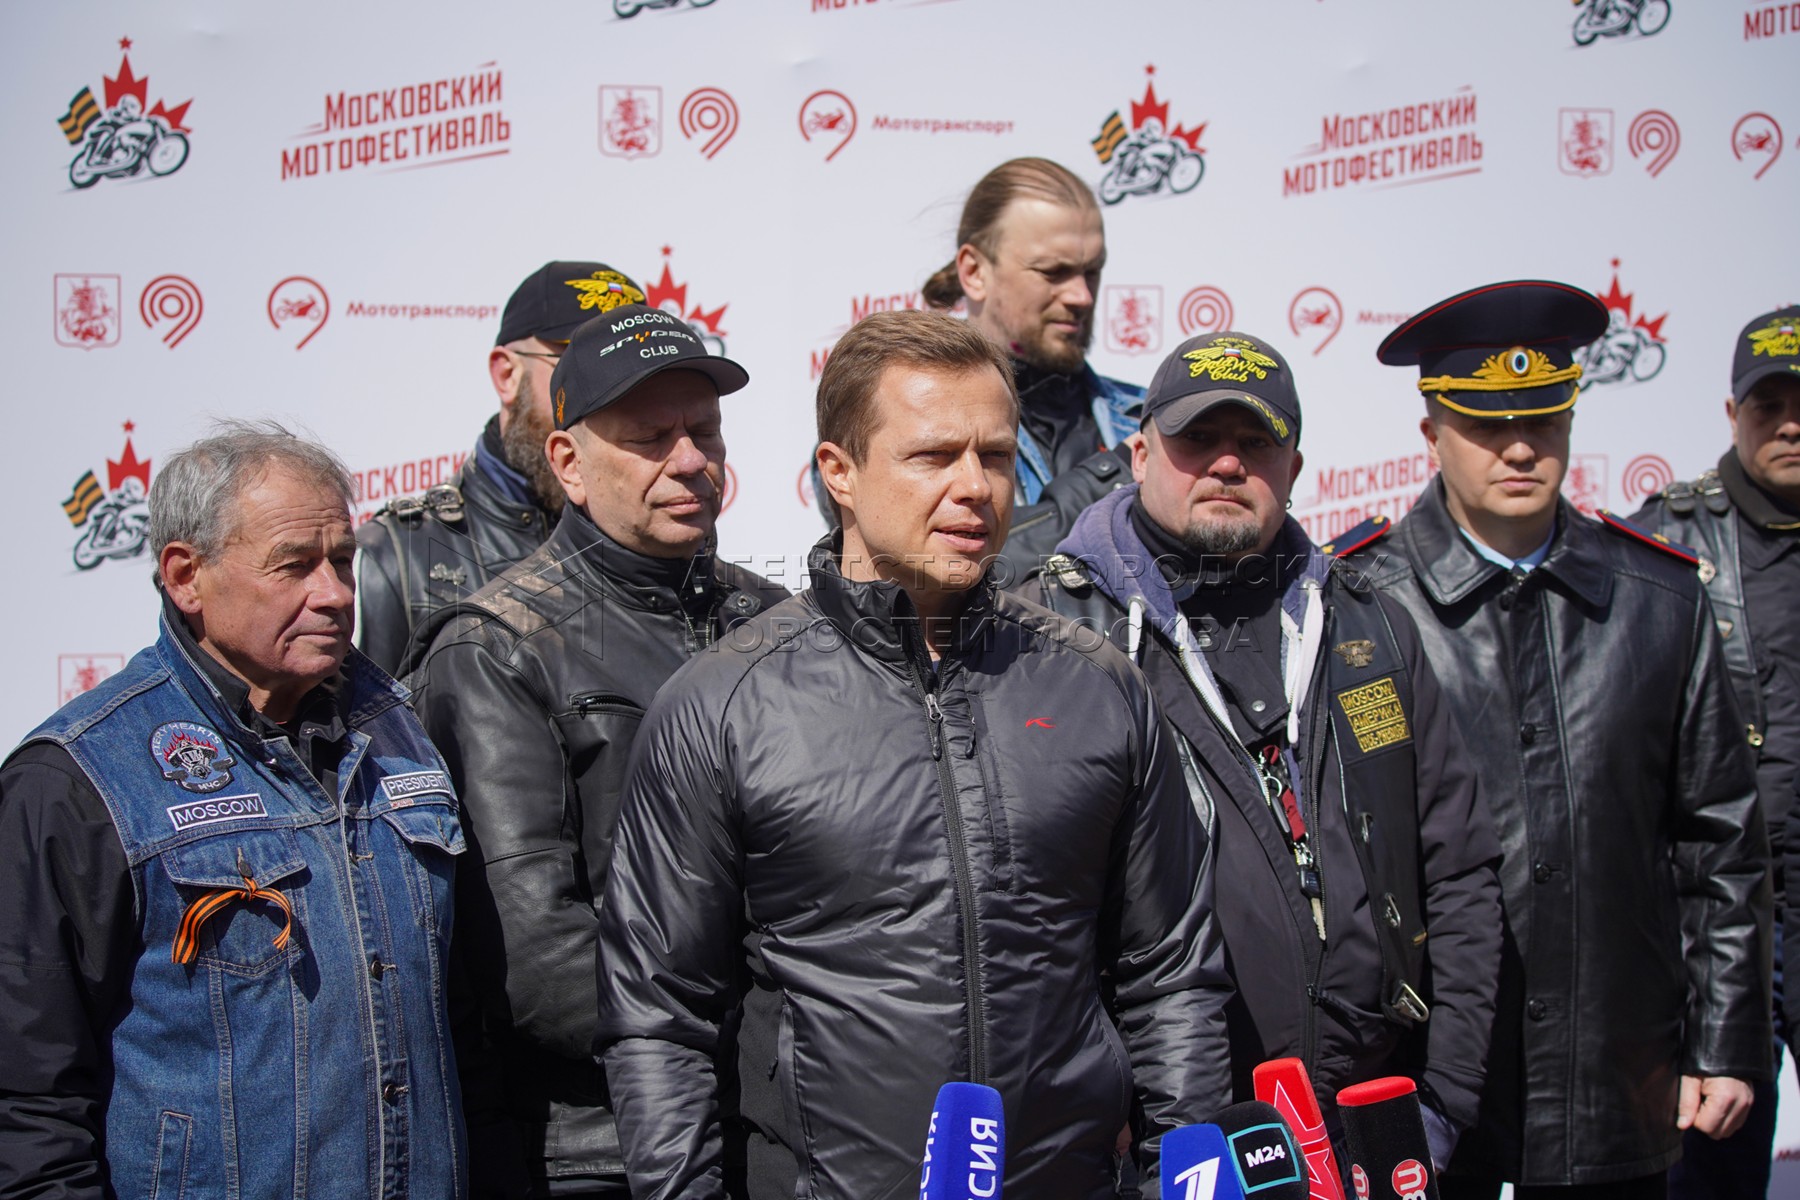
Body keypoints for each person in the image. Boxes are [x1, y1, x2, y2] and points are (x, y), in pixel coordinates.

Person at [595, 309, 1231, 1200]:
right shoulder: (722, 702)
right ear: (839, 472)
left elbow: (1172, 978)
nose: (975, 486)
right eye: (934, 456)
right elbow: (660, 1017)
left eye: (996, 456)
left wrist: (1188, 1183)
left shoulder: (1099, 686)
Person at [1021, 330, 1502, 1165]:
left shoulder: (1372, 626)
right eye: (1198, 438)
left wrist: (1446, 1099)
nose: (1227, 464)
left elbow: (1458, 872)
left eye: (1255, 442)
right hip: (1163, 1137)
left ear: (1295, 468)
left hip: (1371, 1123)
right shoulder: (1053, 635)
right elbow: (1020, 909)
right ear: (1140, 454)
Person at [1349, 280, 1771, 1198]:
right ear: (1430, 433)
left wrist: (1727, 1042)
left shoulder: (1663, 599)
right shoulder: (1360, 605)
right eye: (1484, 424)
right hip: (1425, 1085)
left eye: (1541, 419)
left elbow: (1722, 844)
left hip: (1617, 1078)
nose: (1518, 447)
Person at [0, 420, 467, 1200]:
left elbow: (468, 1027)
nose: (335, 593)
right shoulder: (78, 778)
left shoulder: (403, 730)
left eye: (342, 560)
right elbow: (27, 1102)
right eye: (294, 565)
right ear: (187, 577)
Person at [410, 305, 788, 1199]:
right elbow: (537, 963)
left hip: (784, 1131)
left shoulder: (781, 624)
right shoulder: (498, 650)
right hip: (604, 1152)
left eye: (704, 431)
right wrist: (768, 1038)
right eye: (651, 439)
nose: (690, 461)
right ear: (569, 463)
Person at [1631, 305, 1800, 1200]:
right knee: (1711, 1171)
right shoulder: (1665, 540)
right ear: (1733, 412)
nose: (1791, 425)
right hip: (1721, 915)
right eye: (1770, 404)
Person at [356, 260, 646, 676]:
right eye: (578, 368)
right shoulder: (397, 555)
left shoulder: (667, 535)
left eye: (631, 376)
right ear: (507, 374)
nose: (607, 398)